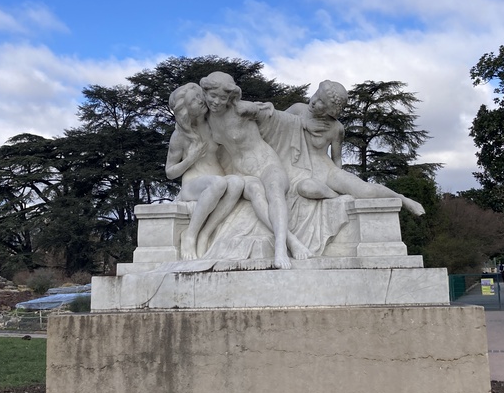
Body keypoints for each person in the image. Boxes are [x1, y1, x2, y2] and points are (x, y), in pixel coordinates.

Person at [200, 71, 311, 269]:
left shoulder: (241, 109)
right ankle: (291, 241)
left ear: (230, 98)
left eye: (222, 98)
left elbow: (273, 116)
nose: (216, 102)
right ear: (205, 92)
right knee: (256, 193)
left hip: (267, 163)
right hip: (242, 173)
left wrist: (257, 109)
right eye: (212, 96)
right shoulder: (205, 118)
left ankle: (280, 249)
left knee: (274, 189)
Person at [285, 80, 426, 215]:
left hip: (327, 171)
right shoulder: (298, 110)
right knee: (306, 188)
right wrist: (303, 123)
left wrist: (339, 180)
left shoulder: (336, 128)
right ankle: (335, 195)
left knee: (367, 192)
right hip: (298, 171)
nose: (314, 101)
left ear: (330, 111)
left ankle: (402, 199)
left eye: (322, 102)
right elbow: (276, 123)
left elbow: (337, 159)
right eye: (316, 94)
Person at [165, 83, 245, 259]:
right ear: (185, 110)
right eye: (193, 101)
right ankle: (189, 235)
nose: (200, 101)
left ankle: (205, 234)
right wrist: (190, 159)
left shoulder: (214, 125)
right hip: (193, 185)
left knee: (237, 183)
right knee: (218, 182)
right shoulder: (180, 136)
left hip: (218, 181)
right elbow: (170, 172)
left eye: (198, 96)